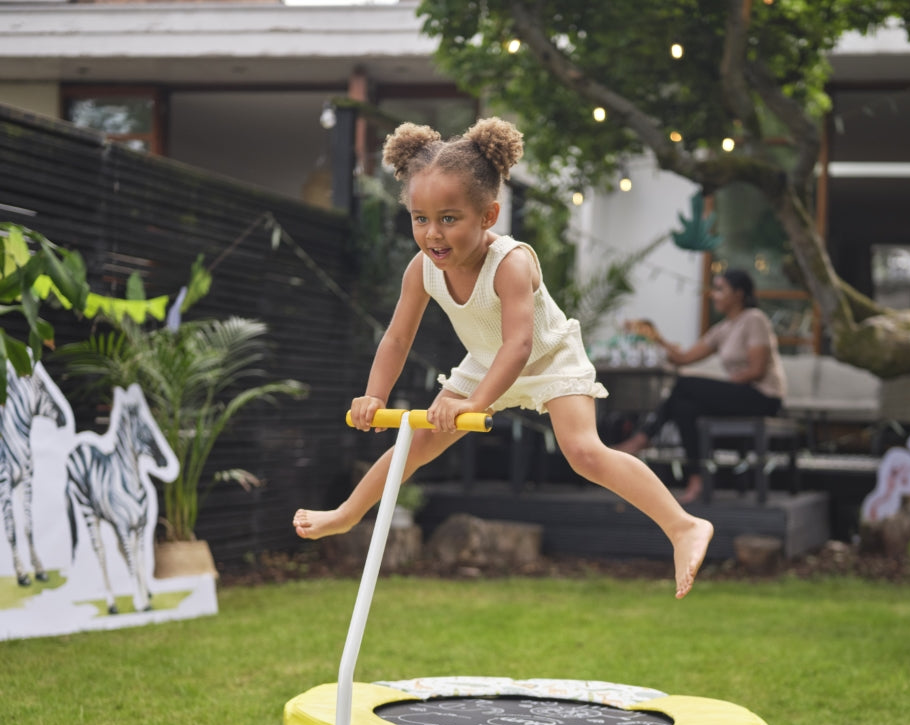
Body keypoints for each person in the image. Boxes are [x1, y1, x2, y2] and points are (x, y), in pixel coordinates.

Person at [293, 117, 713, 598]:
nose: (433, 234)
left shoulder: (511, 263)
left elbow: (520, 345)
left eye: (449, 218)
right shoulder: (422, 270)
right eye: (420, 218)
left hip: (548, 354)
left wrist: (472, 406)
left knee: (583, 453)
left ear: (488, 216)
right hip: (485, 360)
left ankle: (683, 526)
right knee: (418, 443)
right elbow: (395, 339)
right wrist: (374, 395)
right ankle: (347, 515)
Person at [613, 269, 787, 504]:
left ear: (739, 294)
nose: (713, 295)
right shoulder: (722, 329)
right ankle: (697, 479)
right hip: (739, 395)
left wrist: (715, 390)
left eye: (720, 289)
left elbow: (757, 370)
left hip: (763, 397)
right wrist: (654, 336)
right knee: (685, 408)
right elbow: (683, 358)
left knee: (686, 384)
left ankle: (642, 439)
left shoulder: (754, 319)